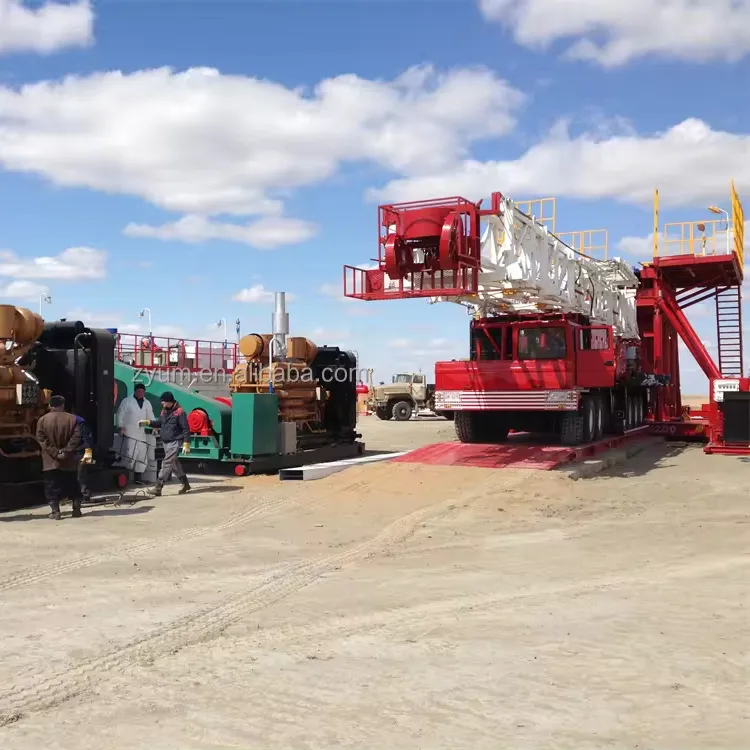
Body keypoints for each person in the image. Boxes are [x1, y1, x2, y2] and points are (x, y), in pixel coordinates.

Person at [35, 395, 84, 520]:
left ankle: (56, 512)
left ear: (50, 405)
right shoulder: (72, 419)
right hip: (69, 459)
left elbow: (41, 439)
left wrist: (55, 453)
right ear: (63, 405)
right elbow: (76, 437)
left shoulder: (42, 420)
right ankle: (76, 509)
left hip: (50, 460)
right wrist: (66, 451)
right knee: (73, 483)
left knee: (52, 485)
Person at [139, 391, 191, 496]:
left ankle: (158, 487)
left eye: (163, 401)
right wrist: (148, 422)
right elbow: (160, 422)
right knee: (174, 464)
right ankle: (185, 484)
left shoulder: (180, 412)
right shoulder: (164, 411)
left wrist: (186, 443)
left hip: (175, 441)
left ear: (169, 401)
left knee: (166, 463)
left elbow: (186, 428)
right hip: (166, 442)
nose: (162, 403)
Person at [116, 382, 156, 485]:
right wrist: (120, 427)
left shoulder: (147, 403)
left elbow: (150, 416)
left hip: (141, 433)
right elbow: (121, 413)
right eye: (139, 391)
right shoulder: (127, 401)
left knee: (141, 455)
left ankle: (138, 479)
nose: (140, 393)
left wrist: (154, 426)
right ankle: (126, 478)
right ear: (135, 391)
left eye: (142, 391)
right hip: (129, 432)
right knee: (130, 455)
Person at [74, 413, 94, 504]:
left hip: (82, 450)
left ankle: (85, 495)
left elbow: (86, 437)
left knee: (81, 473)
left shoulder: (79, 421)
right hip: (74, 450)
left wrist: (88, 453)